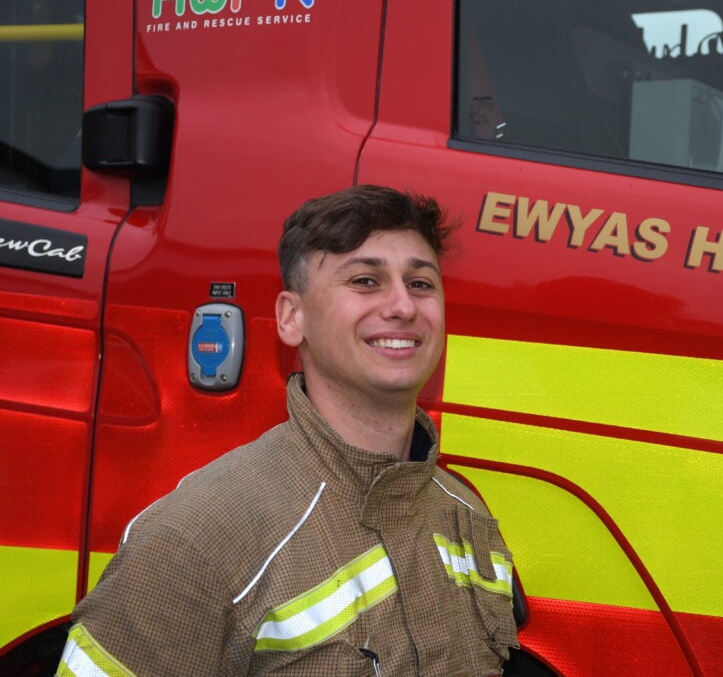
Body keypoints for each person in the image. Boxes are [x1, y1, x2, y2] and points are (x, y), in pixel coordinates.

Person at [57, 185, 519, 676]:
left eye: (422, 284)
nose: (403, 306)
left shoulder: (465, 516)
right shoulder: (197, 539)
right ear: (291, 318)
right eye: (366, 280)